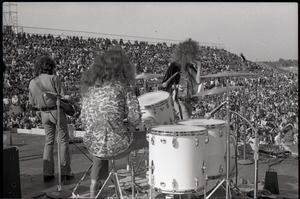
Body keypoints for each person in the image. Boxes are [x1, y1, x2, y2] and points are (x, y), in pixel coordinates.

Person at [79, 47, 142, 197]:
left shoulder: (90, 89)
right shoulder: (124, 86)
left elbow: (83, 119)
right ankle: (144, 182)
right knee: (147, 138)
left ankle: (95, 184)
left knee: (102, 139)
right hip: (118, 145)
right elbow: (135, 118)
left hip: (91, 142)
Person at [28, 55, 74, 182]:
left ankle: (47, 173)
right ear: (51, 67)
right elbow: (63, 97)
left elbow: (31, 103)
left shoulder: (32, 82)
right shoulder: (54, 78)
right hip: (57, 111)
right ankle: (64, 173)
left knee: (48, 142)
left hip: (44, 114)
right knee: (63, 141)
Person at [162, 38, 202, 120]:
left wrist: (199, 66)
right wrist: (176, 86)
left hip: (189, 100)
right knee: (186, 122)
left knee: (186, 123)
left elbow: (198, 81)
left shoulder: (189, 67)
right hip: (179, 99)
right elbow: (164, 84)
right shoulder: (174, 65)